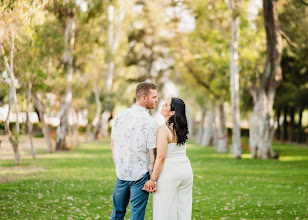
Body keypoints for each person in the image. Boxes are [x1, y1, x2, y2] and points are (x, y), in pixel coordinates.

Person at [110, 82, 159, 220]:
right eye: (154, 97)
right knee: (137, 215)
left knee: (117, 213)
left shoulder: (120, 116)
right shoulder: (150, 122)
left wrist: (118, 165)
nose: (157, 100)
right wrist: (152, 178)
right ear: (144, 98)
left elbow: (113, 143)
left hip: (122, 173)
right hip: (141, 175)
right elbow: (151, 153)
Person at [143, 97, 193, 220]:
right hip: (186, 171)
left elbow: (161, 157)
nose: (162, 106)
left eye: (166, 105)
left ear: (172, 112)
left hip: (169, 173)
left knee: (164, 212)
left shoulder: (164, 130)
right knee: (183, 211)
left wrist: (152, 179)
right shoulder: (181, 128)